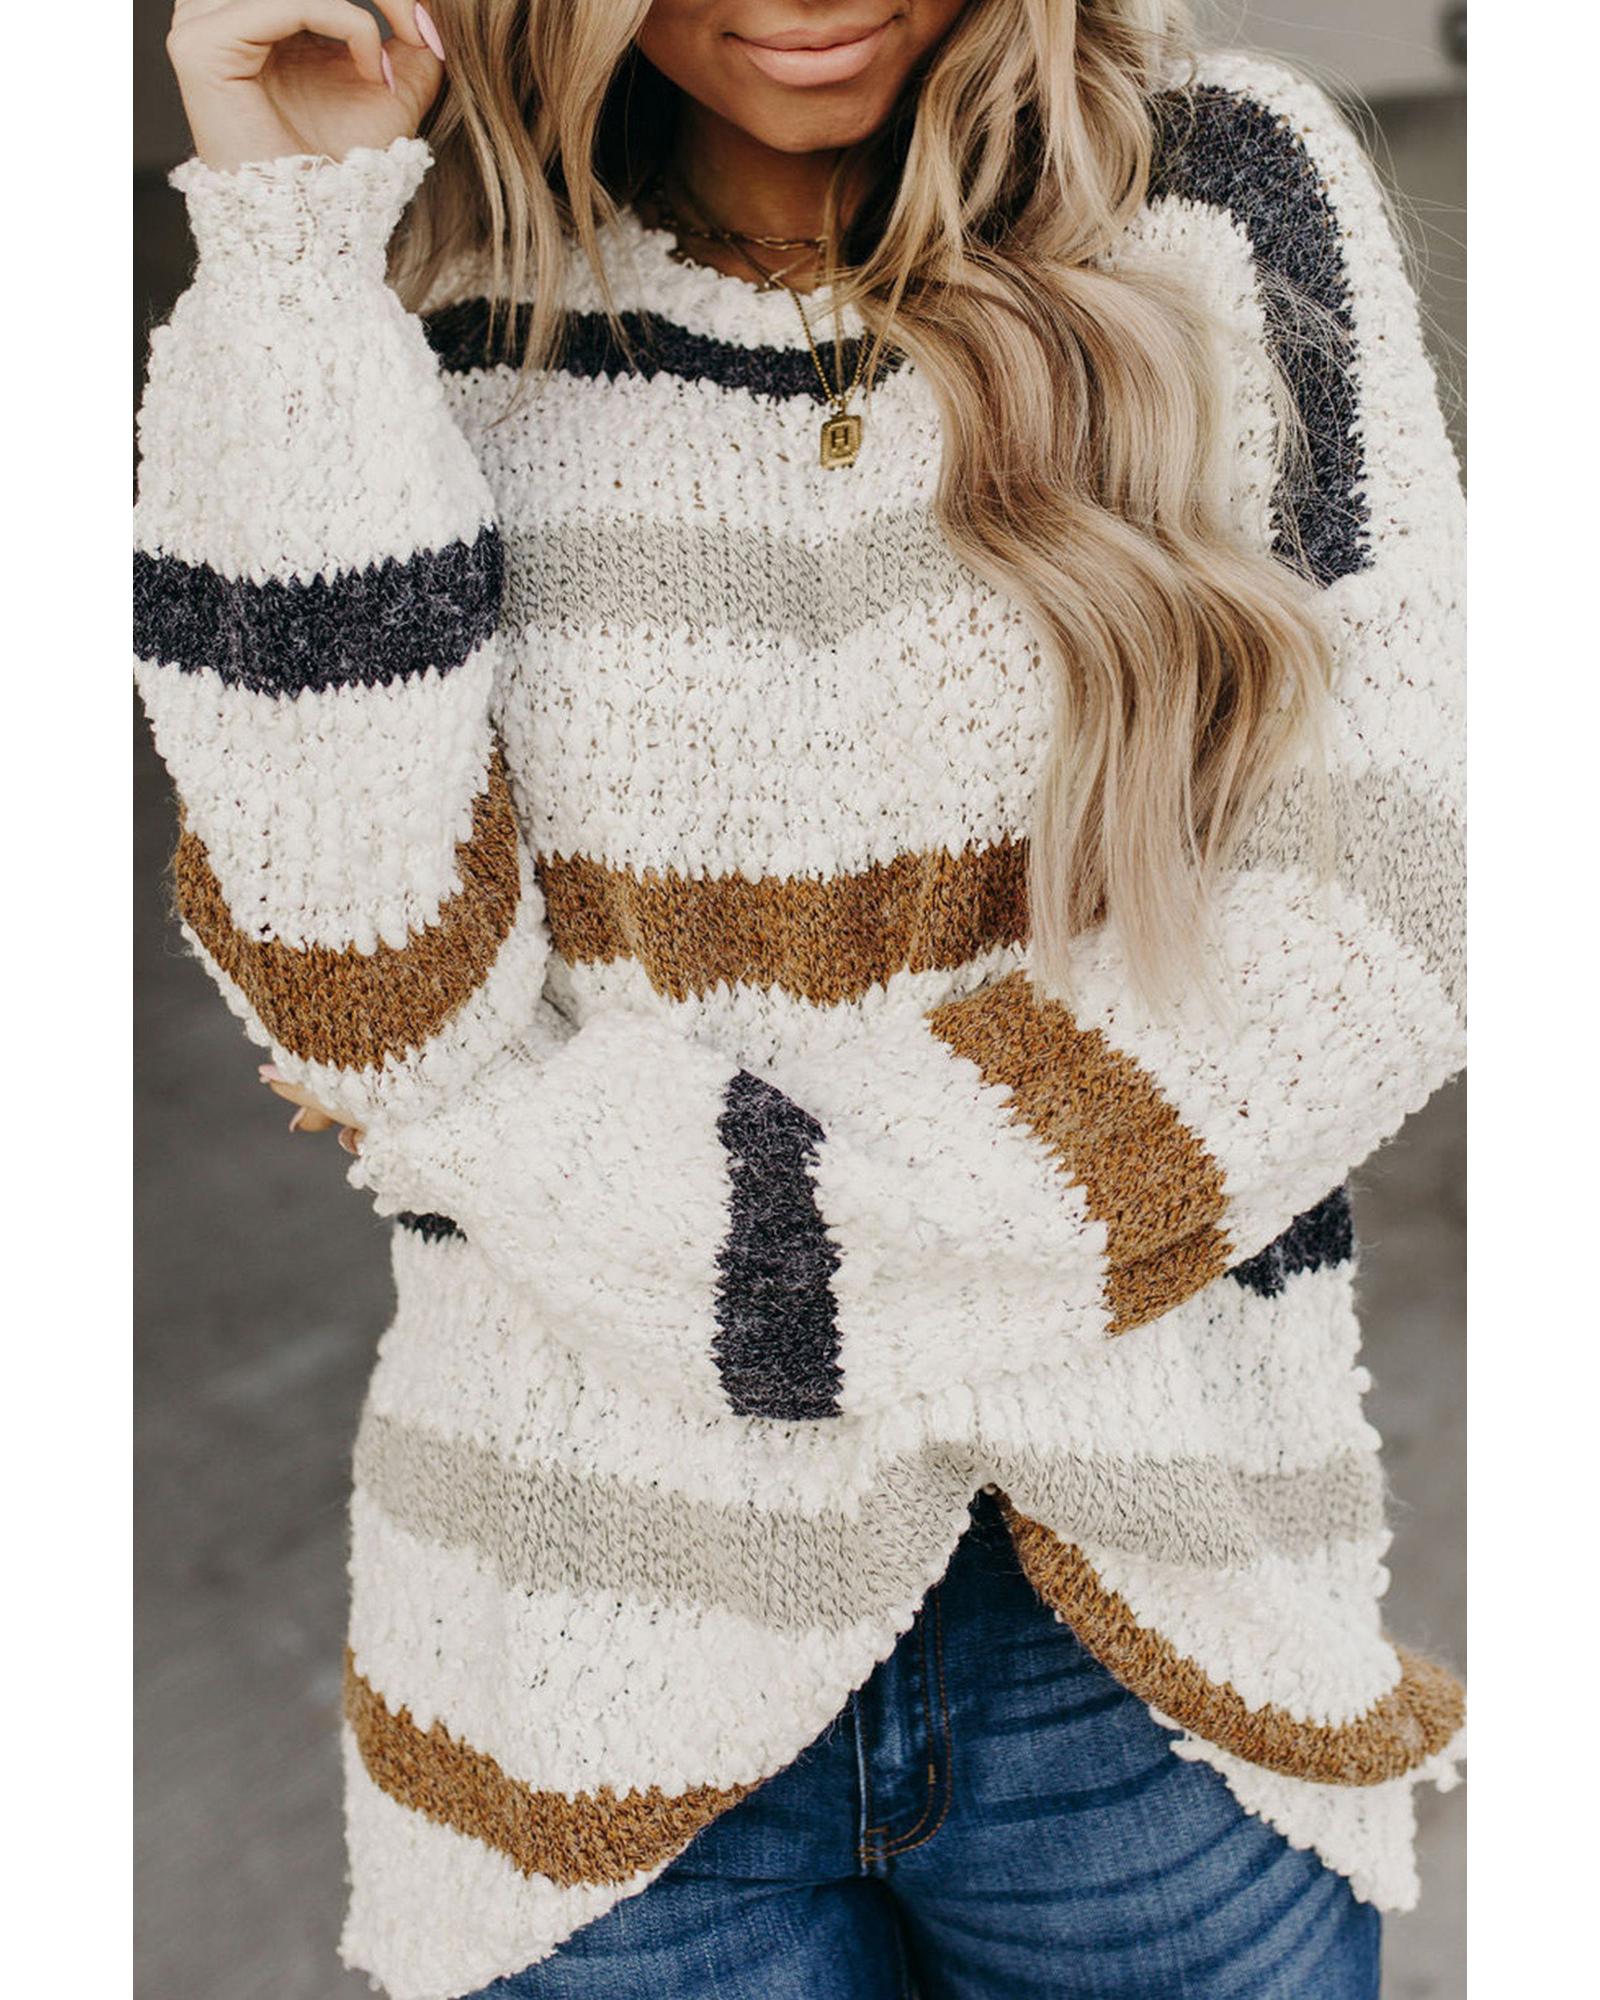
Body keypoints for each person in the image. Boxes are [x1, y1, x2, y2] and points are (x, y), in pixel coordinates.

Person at [136, 3, 1466, 1995]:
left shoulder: (1212, 188)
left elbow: (1387, 904)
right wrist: (294, 226)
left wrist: (620, 1191)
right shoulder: (397, 263)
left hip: (1151, 1645)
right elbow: (353, 974)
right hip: (573, 1655)